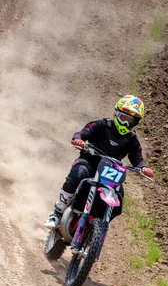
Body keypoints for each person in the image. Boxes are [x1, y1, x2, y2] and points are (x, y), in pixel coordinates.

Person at [45, 95, 153, 230]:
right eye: (123, 118)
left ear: (135, 123)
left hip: (110, 171)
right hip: (89, 162)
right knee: (77, 174)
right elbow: (83, 133)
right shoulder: (102, 125)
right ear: (117, 114)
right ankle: (57, 212)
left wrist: (143, 168)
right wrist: (79, 140)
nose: (125, 123)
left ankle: (97, 228)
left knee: (119, 198)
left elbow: (137, 158)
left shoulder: (132, 139)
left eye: (130, 121)